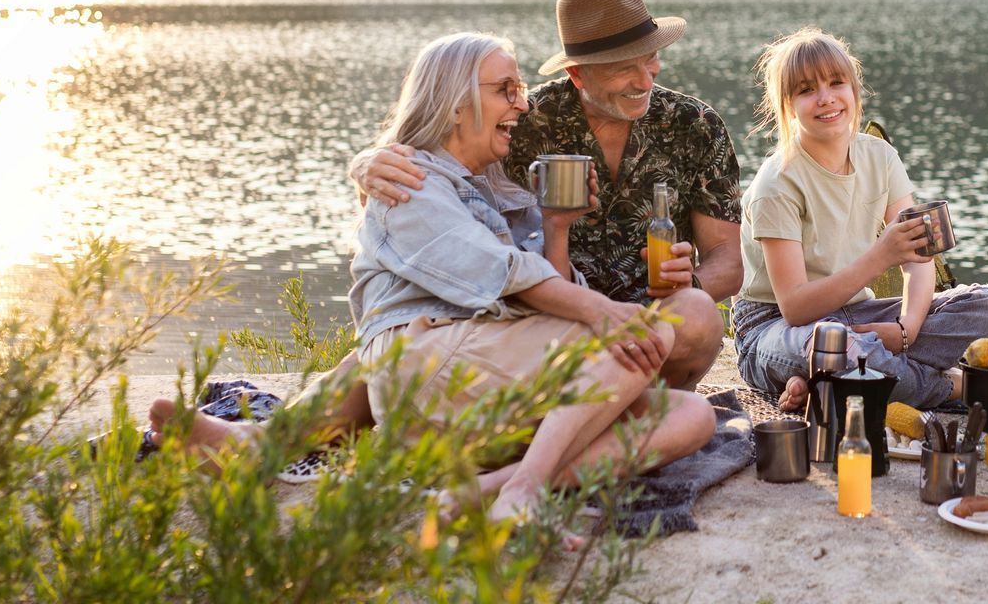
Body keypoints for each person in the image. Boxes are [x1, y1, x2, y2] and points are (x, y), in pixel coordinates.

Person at [150, 32, 716, 527]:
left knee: (691, 416)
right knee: (637, 332)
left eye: (652, 60)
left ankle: (494, 485)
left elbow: (528, 280)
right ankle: (523, 486)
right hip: (435, 367)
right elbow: (499, 273)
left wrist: (556, 227)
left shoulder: (505, 176)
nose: (519, 104)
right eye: (505, 90)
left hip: (490, 373)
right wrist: (604, 312)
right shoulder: (412, 174)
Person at [354, 0, 739, 390]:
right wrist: (367, 163)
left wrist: (690, 281)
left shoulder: (695, 125)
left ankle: (638, 405)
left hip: (653, 321)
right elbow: (437, 190)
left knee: (698, 314)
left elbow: (729, 259)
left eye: (650, 59)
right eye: (624, 67)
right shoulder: (520, 120)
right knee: (384, 353)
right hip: (546, 324)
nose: (645, 80)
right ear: (577, 74)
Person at [731, 28, 988, 410]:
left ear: (854, 89)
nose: (826, 98)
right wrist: (880, 257)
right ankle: (954, 388)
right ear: (787, 104)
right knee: (834, 346)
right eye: (806, 90)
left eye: (836, 82)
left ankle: (829, 381)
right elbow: (795, 307)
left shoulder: (879, 157)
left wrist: (906, 330)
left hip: (859, 315)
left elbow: (919, 258)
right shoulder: (776, 183)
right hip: (774, 325)